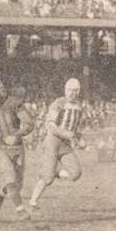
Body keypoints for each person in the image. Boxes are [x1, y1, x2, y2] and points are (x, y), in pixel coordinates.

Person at [0, 76, 35, 219]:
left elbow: (29, 124)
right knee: (9, 175)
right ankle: (21, 211)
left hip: (16, 148)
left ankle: (1, 193)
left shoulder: (14, 103)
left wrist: (16, 135)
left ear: (1, 91)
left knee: (16, 184)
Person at [28, 78, 85, 210]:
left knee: (76, 173)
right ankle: (33, 200)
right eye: (70, 90)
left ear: (78, 92)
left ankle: (52, 172)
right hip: (52, 142)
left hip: (65, 145)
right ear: (65, 90)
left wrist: (80, 138)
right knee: (47, 179)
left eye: (75, 90)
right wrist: (65, 133)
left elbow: (76, 129)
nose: (72, 93)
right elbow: (50, 125)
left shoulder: (79, 107)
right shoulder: (59, 103)